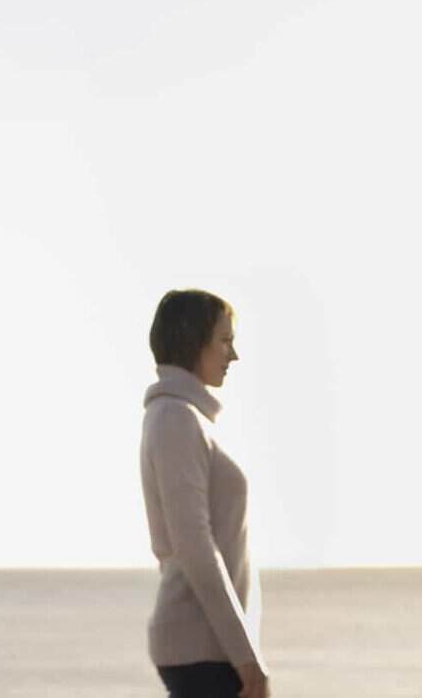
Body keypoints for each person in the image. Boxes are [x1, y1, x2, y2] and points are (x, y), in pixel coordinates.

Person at [140, 289, 270, 698]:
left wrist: (244, 650)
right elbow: (194, 545)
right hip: (201, 652)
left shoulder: (187, 418)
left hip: (212, 651)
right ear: (193, 340)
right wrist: (246, 657)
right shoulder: (175, 419)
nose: (234, 356)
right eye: (225, 341)